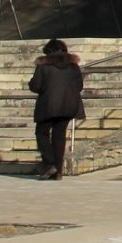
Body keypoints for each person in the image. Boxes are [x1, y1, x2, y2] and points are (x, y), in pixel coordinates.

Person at [27, 37, 84, 179]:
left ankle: (50, 163)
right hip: (69, 105)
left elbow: (36, 86)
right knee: (59, 136)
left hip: (49, 105)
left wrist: (31, 83)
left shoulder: (44, 66)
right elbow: (79, 86)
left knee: (42, 133)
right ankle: (57, 171)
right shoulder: (73, 66)